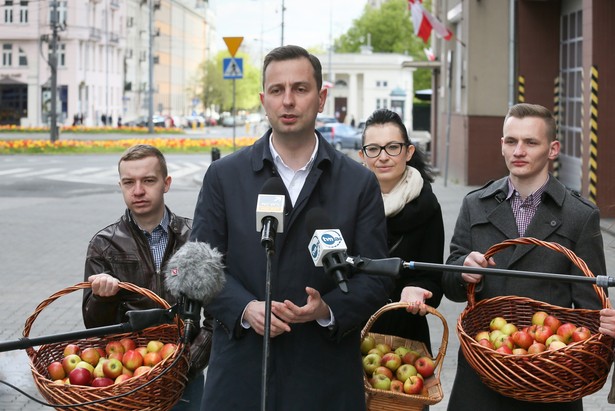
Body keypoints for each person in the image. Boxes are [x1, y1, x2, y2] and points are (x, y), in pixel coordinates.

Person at [190, 45, 394, 410]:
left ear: (321, 98)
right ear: (263, 99)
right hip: (241, 375)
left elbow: (376, 278)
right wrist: (244, 308)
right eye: (276, 90)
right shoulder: (224, 176)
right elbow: (201, 268)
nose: (288, 101)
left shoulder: (358, 183)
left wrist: (326, 309)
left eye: (300, 89)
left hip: (323, 377)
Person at [442, 103, 607, 411]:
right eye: (510, 141)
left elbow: (591, 309)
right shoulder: (475, 204)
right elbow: (450, 285)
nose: (519, 150)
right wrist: (462, 272)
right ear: (501, 145)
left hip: (549, 377)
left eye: (531, 142)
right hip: (483, 371)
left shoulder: (579, 216)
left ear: (553, 148)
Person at [81, 144, 209, 411]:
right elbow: (94, 326)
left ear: (166, 183)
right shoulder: (104, 244)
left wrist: (187, 362)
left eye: (148, 181)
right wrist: (102, 299)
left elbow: (218, 314)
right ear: (121, 186)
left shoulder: (195, 237)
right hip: (126, 379)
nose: (138, 190)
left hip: (186, 378)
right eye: (129, 182)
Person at [358, 108, 444, 354]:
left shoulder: (427, 205)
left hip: (405, 340)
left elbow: (433, 278)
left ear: (408, 152)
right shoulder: (348, 202)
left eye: (392, 147)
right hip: (353, 332)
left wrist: (417, 289)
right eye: (373, 149)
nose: (383, 157)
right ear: (362, 155)